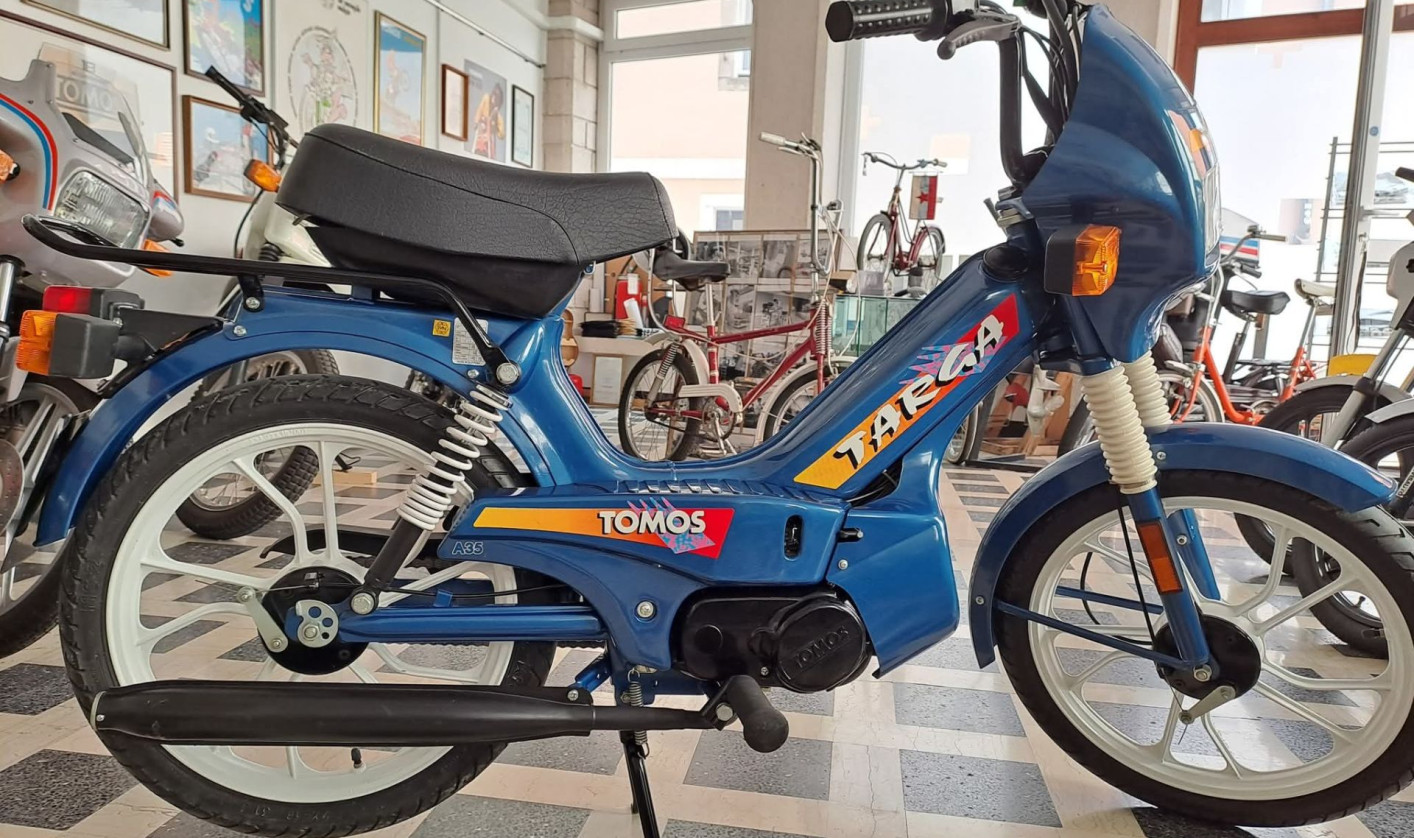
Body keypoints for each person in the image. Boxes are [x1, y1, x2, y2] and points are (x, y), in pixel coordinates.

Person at [473, 83, 505, 160]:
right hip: (481, 132)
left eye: (496, 98)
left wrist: (495, 127)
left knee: (487, 154)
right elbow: (480, 109)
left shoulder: (498, 115)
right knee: (477, 151)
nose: (494, 99)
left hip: (489, 139)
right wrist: (477, 121)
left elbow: (501, 134)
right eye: (493, 95)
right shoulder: (486, 98)